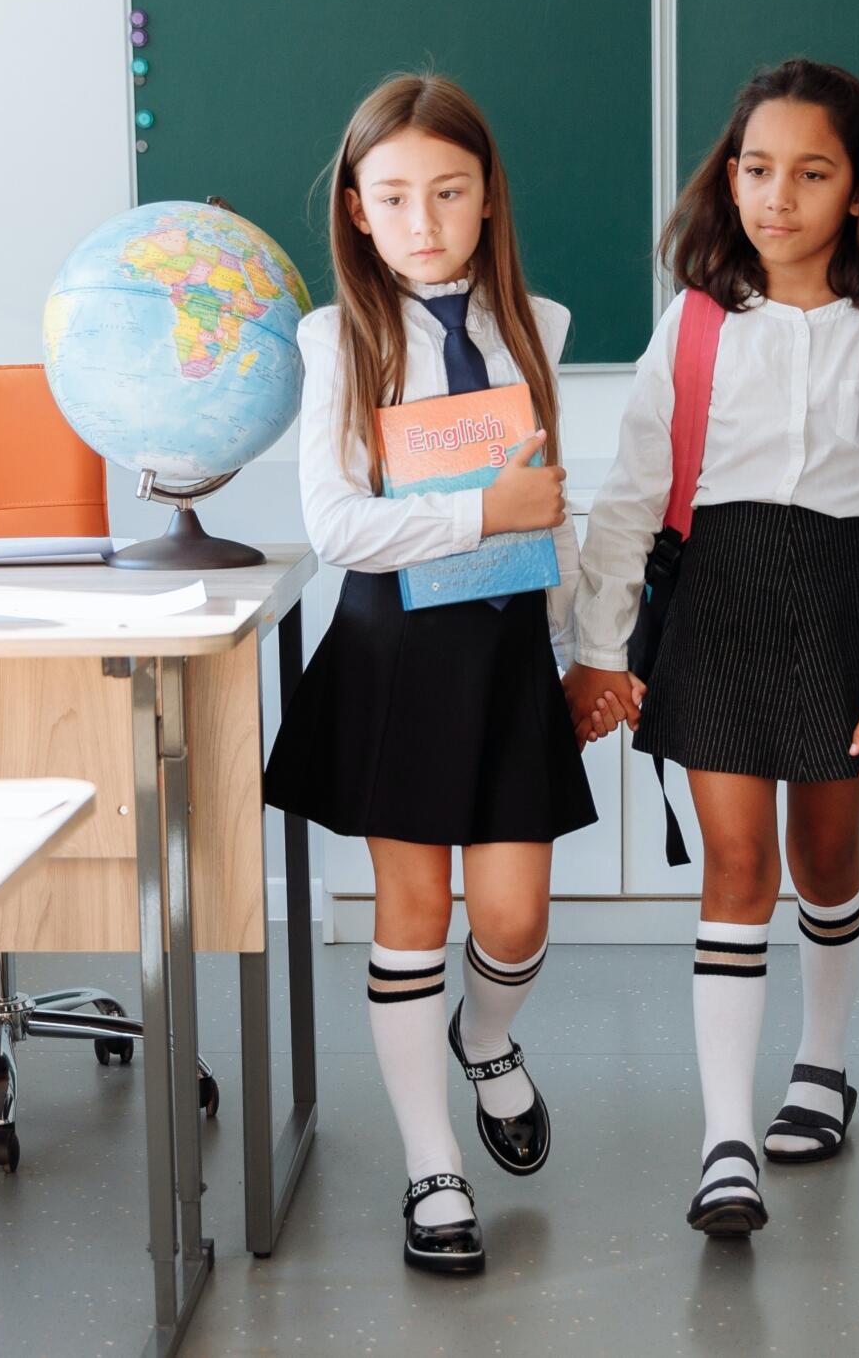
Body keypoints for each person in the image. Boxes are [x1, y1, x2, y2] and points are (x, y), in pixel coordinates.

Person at [568, 58, 859, 1236]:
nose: (775, 195)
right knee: (736, 865)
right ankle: (724, 1140)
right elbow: (629, 500)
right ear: (725, 178)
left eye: (810, 172)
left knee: (824, 856)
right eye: (755, 168)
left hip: (843, 605)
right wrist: (599, 648)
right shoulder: (692, 327)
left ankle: (823, 1063)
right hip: (721, 607)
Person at [261, 74, 595, 1274]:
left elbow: (554, 512)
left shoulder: (536, 328)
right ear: (355, 209)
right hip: (397, 653)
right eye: (394, 195)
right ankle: (429, 1166)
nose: (424, 219)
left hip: (507, 654)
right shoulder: (335, 337)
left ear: (488, 198)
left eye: (448, 191)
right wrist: (475, 510)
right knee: (412, 912)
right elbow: (336, 525)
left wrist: (580, 651)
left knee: (511, 918)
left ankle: (488, 1040)